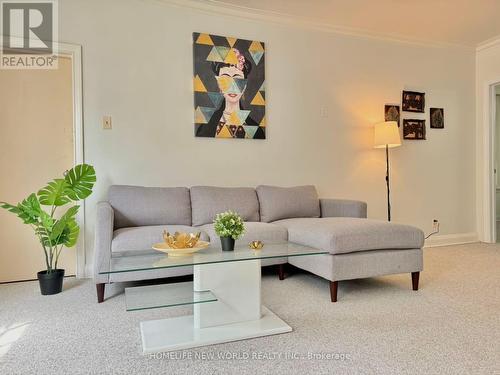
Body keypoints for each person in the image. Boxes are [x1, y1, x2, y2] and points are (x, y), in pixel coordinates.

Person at [196, 48, 264, 139]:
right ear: (218, 83)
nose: (232, 87)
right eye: (225, 79)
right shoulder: (205, 128)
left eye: (238, 79)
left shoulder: (257, 131)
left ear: (245, 85)